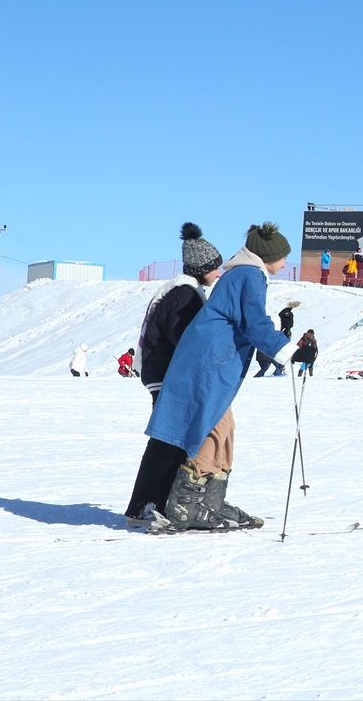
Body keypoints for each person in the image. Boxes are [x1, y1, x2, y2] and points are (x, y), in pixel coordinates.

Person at [145, 222, 296, 533]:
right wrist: (289, 351)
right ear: (268, 255)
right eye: (282, 257)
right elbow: (254, 322)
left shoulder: (245, 274)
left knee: (224, 426)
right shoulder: (249, 275)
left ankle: (212, 499)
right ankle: (186, 503)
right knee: (212, 426)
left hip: (215, 361)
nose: (284, 263)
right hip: (209, 361)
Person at [125, 222, 224, 528]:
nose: (218, 274)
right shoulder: (184, 294)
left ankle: (157, 502)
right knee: (168, 440)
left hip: (164, 373)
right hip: (167, 375)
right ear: (201, 268)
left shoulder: (182, 289)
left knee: (172, 439)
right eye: (214, 268)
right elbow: (186, 337)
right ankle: (145, 505)